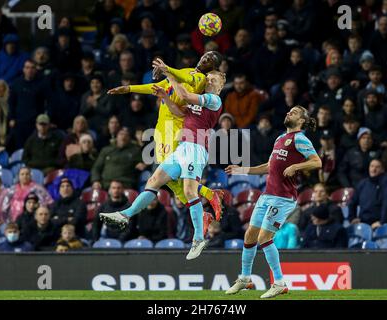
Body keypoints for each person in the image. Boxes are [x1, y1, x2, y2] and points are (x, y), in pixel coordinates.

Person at [101, 69, 226, 260]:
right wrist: (165, 97)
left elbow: (183, 94)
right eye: (208, 78)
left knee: (189, 191)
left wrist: (171, 76)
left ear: (221, 85)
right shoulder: (197, 99)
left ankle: (199, 238)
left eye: (214, 79)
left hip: (197, 147)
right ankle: (125, 215)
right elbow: (179, 111)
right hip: (183, 147)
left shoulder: (214, 100)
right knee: (153, 180)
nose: (209, 80)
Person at [106, 51, 225, 218]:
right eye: (206, 55)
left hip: (176, 129)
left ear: (212, 67)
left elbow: (183, 81)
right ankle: (206, 205)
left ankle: (207, 198)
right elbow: (158, 86)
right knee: (169, 178)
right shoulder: (185, 71)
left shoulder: (199, 79)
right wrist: (129, 88)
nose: (205, 58)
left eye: (211, 59)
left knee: (166, 176)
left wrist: (167, 69)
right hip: (162, 127)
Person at [224, 105, 321, 299]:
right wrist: (241, 170)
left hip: (283, 197)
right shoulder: (279, 139)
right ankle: (244, 278)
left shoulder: (300, 139)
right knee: (250, 236)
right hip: (267, 194)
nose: (288, 113)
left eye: (293, 112)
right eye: (288, 111)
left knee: (263, 238)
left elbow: (317, 162)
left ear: (301, 120)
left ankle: (279, 283)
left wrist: (296, 166)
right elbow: (269, 167)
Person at [348, 159, 387, 229]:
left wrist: (382, 221)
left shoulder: (386, 183)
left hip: (378, 224)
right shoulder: (363, 183)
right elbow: (352, 202)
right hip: (363, 222)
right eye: (372, 166)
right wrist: (352, 218)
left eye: (377, 167)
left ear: (382, 170)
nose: (373, 169)